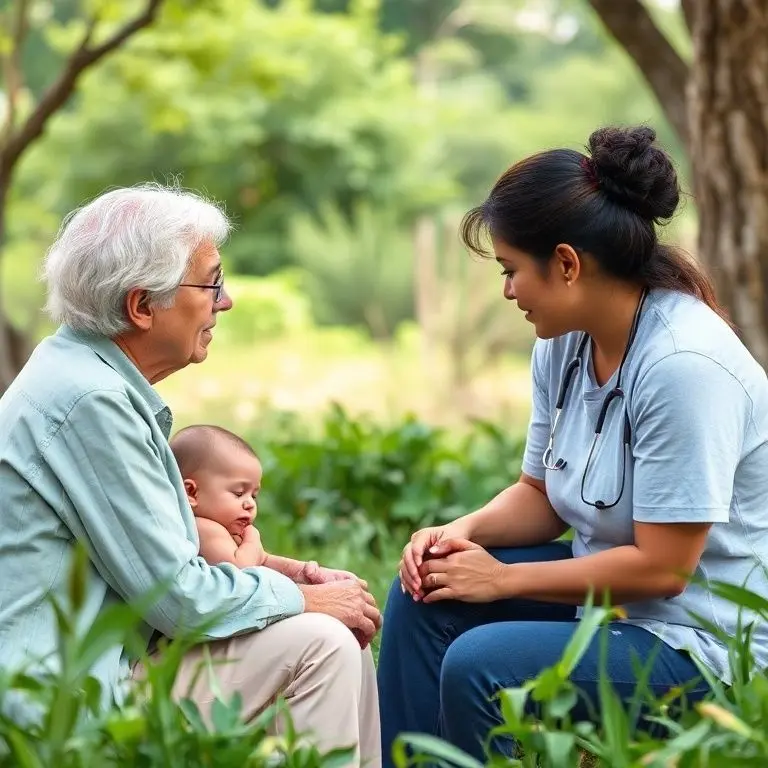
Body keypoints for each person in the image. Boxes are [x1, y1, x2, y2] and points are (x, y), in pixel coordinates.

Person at [376, 125, 768, 762]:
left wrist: (503, 581)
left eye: (510, 271)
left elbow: (664, 569)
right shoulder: (564, 341)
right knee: (428, 592)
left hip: (703, 642)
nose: (506, 291)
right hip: (613, 604)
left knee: (479, 664)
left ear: (566, 263)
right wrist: (461, 532)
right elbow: (541, 495)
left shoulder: (684, 365)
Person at [0, 183, 381, 767]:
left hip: (109, 664)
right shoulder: (90, 401)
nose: (224, 303)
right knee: (325, 644)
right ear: (141, 306)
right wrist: (303, 598)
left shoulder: (83, 375)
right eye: (212, 283)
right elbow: (175, 597)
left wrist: (295, 574)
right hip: (62, 701)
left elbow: (166, 554)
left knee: (336, 640)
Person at [169, 424, 363, 598]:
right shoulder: (204, 528)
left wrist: (305, 572)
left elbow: (262, 560)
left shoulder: (224, 530)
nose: (250, 504)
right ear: (191, 492)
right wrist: (252, 538)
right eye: (238, 493)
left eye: (253, 495)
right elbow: (242, 571)